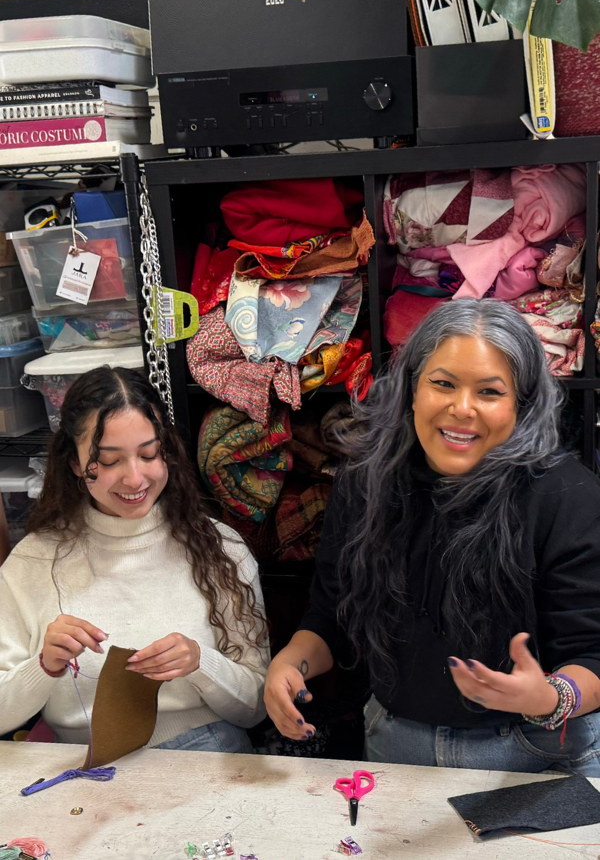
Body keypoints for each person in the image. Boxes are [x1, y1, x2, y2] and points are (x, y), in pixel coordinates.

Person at [265, 298, 600, 775]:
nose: (461, 409)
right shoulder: (366, 483)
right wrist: (291, 664)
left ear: (521, 405)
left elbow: (593, 654)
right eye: (443, 384)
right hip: (394, 743)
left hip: (538, 749)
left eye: (489, 392)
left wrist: (549, 696)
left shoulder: (567, 497)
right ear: (412, 390)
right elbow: (332, 614)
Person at [0, 367, 269, 753]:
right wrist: (42, 666)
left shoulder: (220, 549)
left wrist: (201, 663)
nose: (135, 479)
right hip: (80, 762)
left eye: (149, 454)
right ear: (75, 463)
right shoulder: (33, 561)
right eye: (109, 461)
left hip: (207, 751)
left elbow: (256, 708)